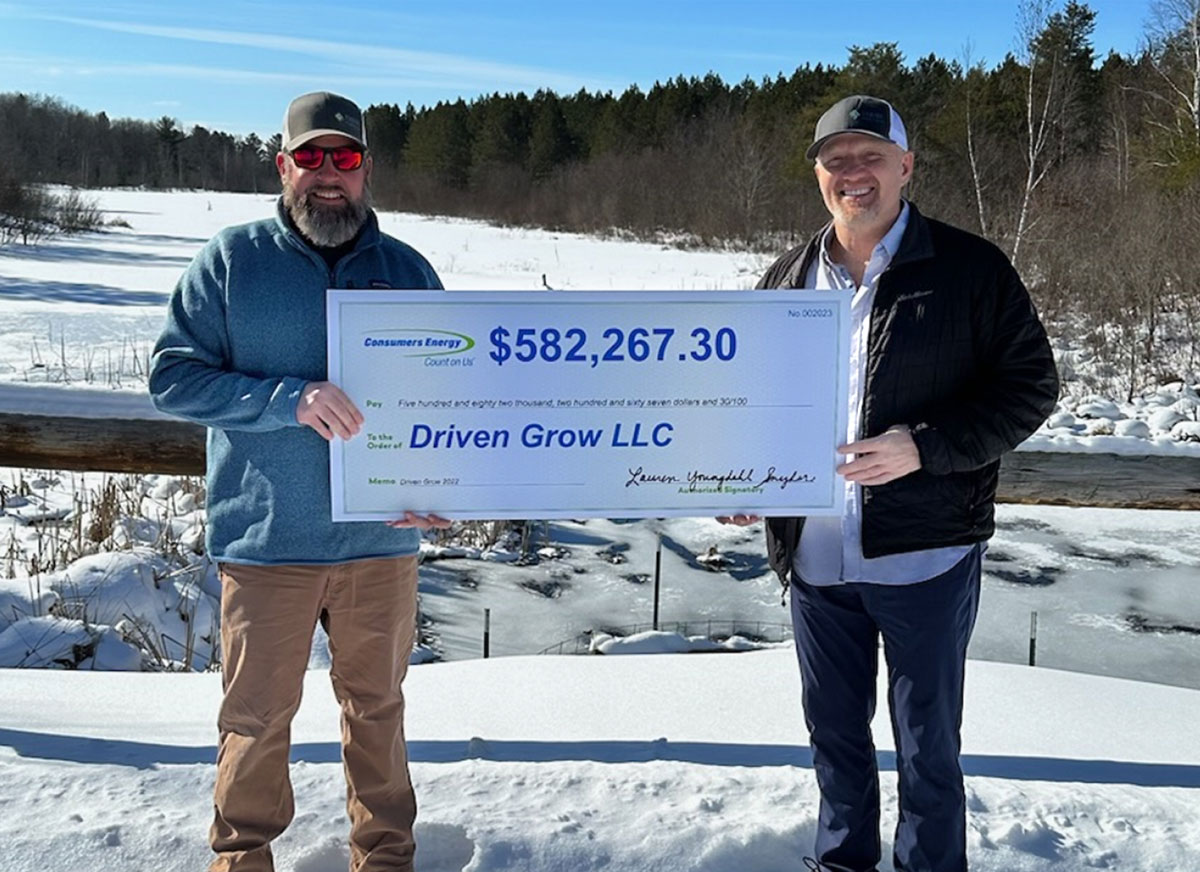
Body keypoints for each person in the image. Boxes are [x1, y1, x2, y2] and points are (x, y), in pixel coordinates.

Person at [721, 95, 1059, 871]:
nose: (854, 173)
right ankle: (840, 863)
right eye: (837, 160)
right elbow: (752, 402)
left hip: (926, 555)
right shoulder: (786, 279)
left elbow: (1031, 388)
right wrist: (738, 477)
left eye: (871, 156)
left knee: (928, 751)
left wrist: (925, 446)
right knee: (834, 742)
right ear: (818, 175)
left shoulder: (970, 269)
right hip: (814, 561)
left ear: (905, 166)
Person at [150, 91, 447, 872]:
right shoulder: (231, 262)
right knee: (255, 719)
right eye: (309, 157)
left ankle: (386, 858)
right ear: (282, 166)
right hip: (267, 542)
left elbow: (450, 396)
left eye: (343, 158)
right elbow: (173, 379)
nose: (327, 175)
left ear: (366, 171)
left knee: (378, 713)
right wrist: (287, 399)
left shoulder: (408, 271)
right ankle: (241, 858)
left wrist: (444, 481)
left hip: (379, 545)